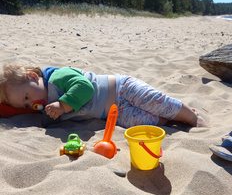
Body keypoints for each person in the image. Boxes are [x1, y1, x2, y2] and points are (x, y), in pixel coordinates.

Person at [0, 64, 207, 128]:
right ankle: (173, 118)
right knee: (149, 122)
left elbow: (85, 88)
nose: (31, 104)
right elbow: (11, 110)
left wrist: (62, 106)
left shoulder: (57, 77)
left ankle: (192, 117)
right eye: (26, 106)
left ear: (33, 76)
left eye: (27, 97)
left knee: (156, 102)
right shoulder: (45, 104)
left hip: (121, 88)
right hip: (114, 113)